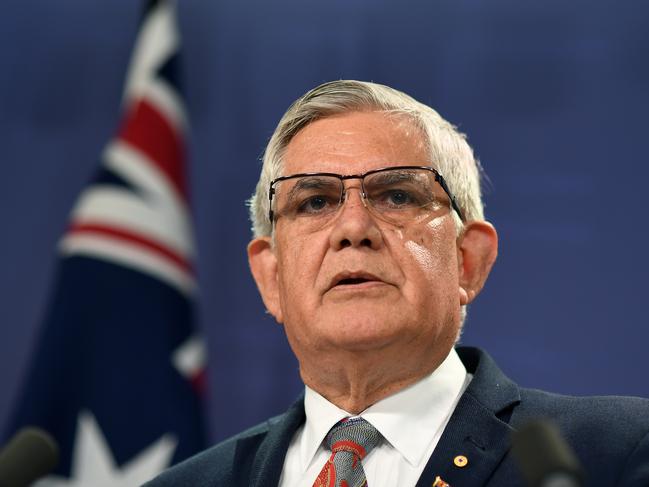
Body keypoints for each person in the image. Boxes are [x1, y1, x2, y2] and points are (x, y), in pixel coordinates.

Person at [145, 80, 649, 486]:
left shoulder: (611, 454)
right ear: (271, 277)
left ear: (467, 259)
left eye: (397, 196)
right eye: (315, 202)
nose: (353, 229)